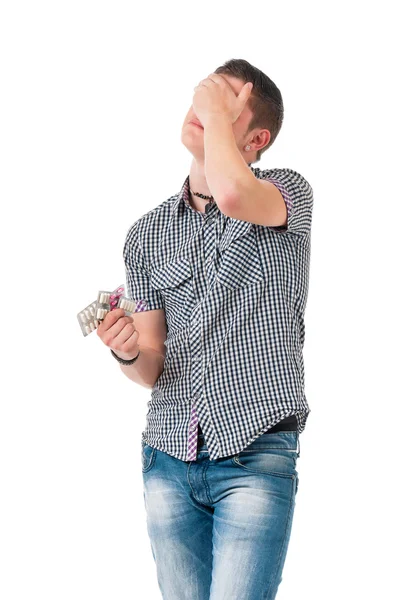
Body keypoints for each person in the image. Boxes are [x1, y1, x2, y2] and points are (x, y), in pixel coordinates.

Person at [97, 57, 314, 600]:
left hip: (255, 453)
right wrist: (126, 352)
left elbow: (235, 195)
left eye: (226, 103)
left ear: (257, 138)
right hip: (167, 459)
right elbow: (151, 366)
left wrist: (215, 117)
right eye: (203, 98)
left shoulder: (287, 193)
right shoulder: (146, 233)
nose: (204, 108)